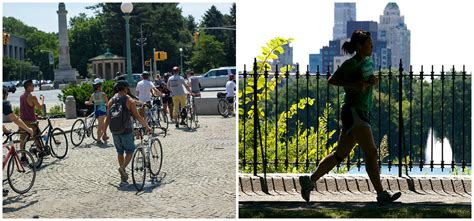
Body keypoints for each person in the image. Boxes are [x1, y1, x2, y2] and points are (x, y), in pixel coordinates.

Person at [298, 30, 401, 206]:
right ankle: (381, 194)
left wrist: (372, 81)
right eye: (369, 44)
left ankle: (309, 180)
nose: (372, 46)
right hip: (354, 112)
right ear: (360, 46)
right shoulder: (351, 64)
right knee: (372, 152)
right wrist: (354, 84)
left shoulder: (366, 62)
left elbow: (365, 82)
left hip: (360, 111)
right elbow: (332, 80)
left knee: (340, 154)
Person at [107, 80, 152, 185]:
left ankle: (123, 177)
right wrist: (147, 126)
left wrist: (104, 133)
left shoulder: (111, 100)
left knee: (119, 152)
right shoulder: (128, 100)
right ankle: (122, 168)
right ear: (125, 88)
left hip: (114, 131)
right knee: (130, 151)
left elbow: (107, 118)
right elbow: (137, 116)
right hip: (126, 130)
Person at [19, 79, 45, 155]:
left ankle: (23, 156)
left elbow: (25, 108)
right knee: (37, 137)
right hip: (31, 121)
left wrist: (34, 113)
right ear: (29, 87)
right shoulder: (32, 96)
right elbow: (40, 107)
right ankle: (40, 152)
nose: (34, 87)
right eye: (33, 85)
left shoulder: (21, 96)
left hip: (22, 120)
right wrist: (42, 100)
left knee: (22, 139)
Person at [85, 79, 109, 144]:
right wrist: (108, 110)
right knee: (100, 126)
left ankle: (105, 136)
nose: (101, 87)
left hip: (96, 111)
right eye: (101, 86)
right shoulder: (103, 94)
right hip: (102, 110)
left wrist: (86, 102)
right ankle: (98, 140)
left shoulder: (93, 95)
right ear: (98, 87)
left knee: (103, 125)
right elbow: (107, 103)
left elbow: (90, 102)